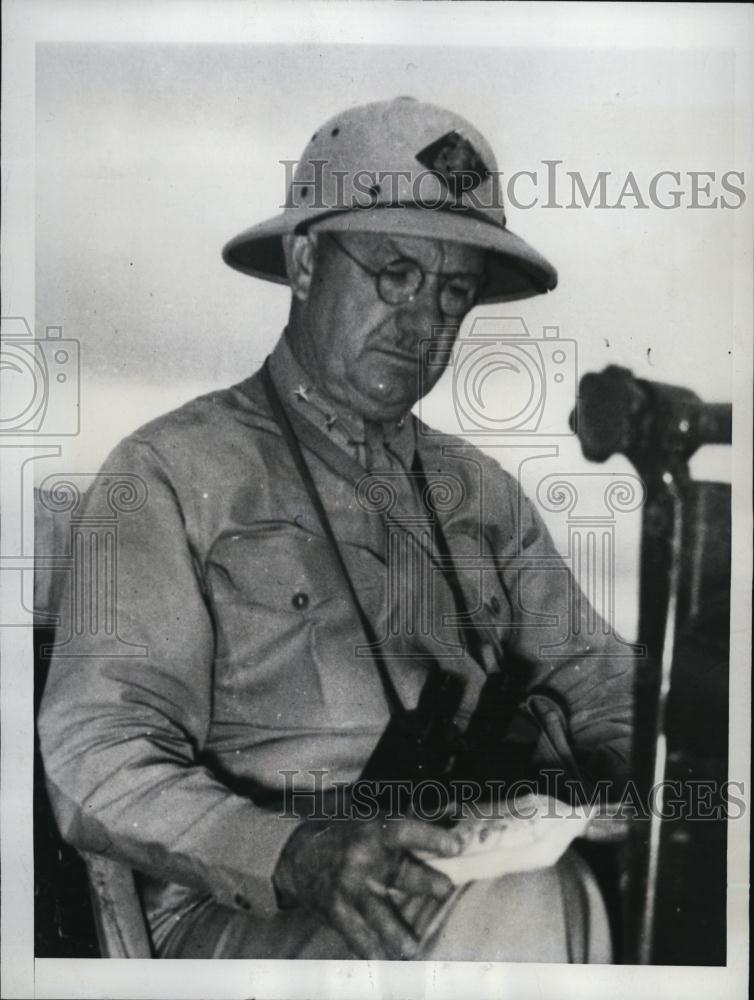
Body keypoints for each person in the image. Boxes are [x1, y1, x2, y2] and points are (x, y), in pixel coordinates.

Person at [38, 97, 633, 962]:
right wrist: (298, 855)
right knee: (535, 905)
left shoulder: (485, 496)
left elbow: (610, 689)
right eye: (395, 272)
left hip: (475, 883)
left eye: (453, 291)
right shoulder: (166, 473)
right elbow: (93, 760)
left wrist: (609, 784)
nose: (424, 319)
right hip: (250, 914)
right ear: (309, 261)